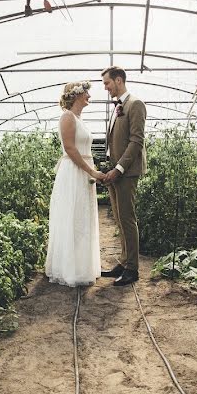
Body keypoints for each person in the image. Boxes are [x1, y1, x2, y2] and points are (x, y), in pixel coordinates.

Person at [45, 81, 106, 287]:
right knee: (72, 217)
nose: (89, 96)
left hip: (84, 173)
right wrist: (91, 170)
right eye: (86, 93)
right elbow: (71, 149)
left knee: (83, 218)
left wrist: (92, 170)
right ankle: (69, 269)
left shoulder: (79, 119)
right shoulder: (67, 117)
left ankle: (82, 267)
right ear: (77, 95)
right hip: (73, 172)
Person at [100, 66, 146, 287]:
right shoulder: (119, 106)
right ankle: (125, 261)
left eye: (107, 83)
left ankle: (133, 269)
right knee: (119, 218)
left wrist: (118, 169)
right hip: (115, 171)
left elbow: (136, 141)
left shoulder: (135, 104)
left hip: (126, 172)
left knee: (127, 219)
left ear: (118, 80)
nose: (106, 88)